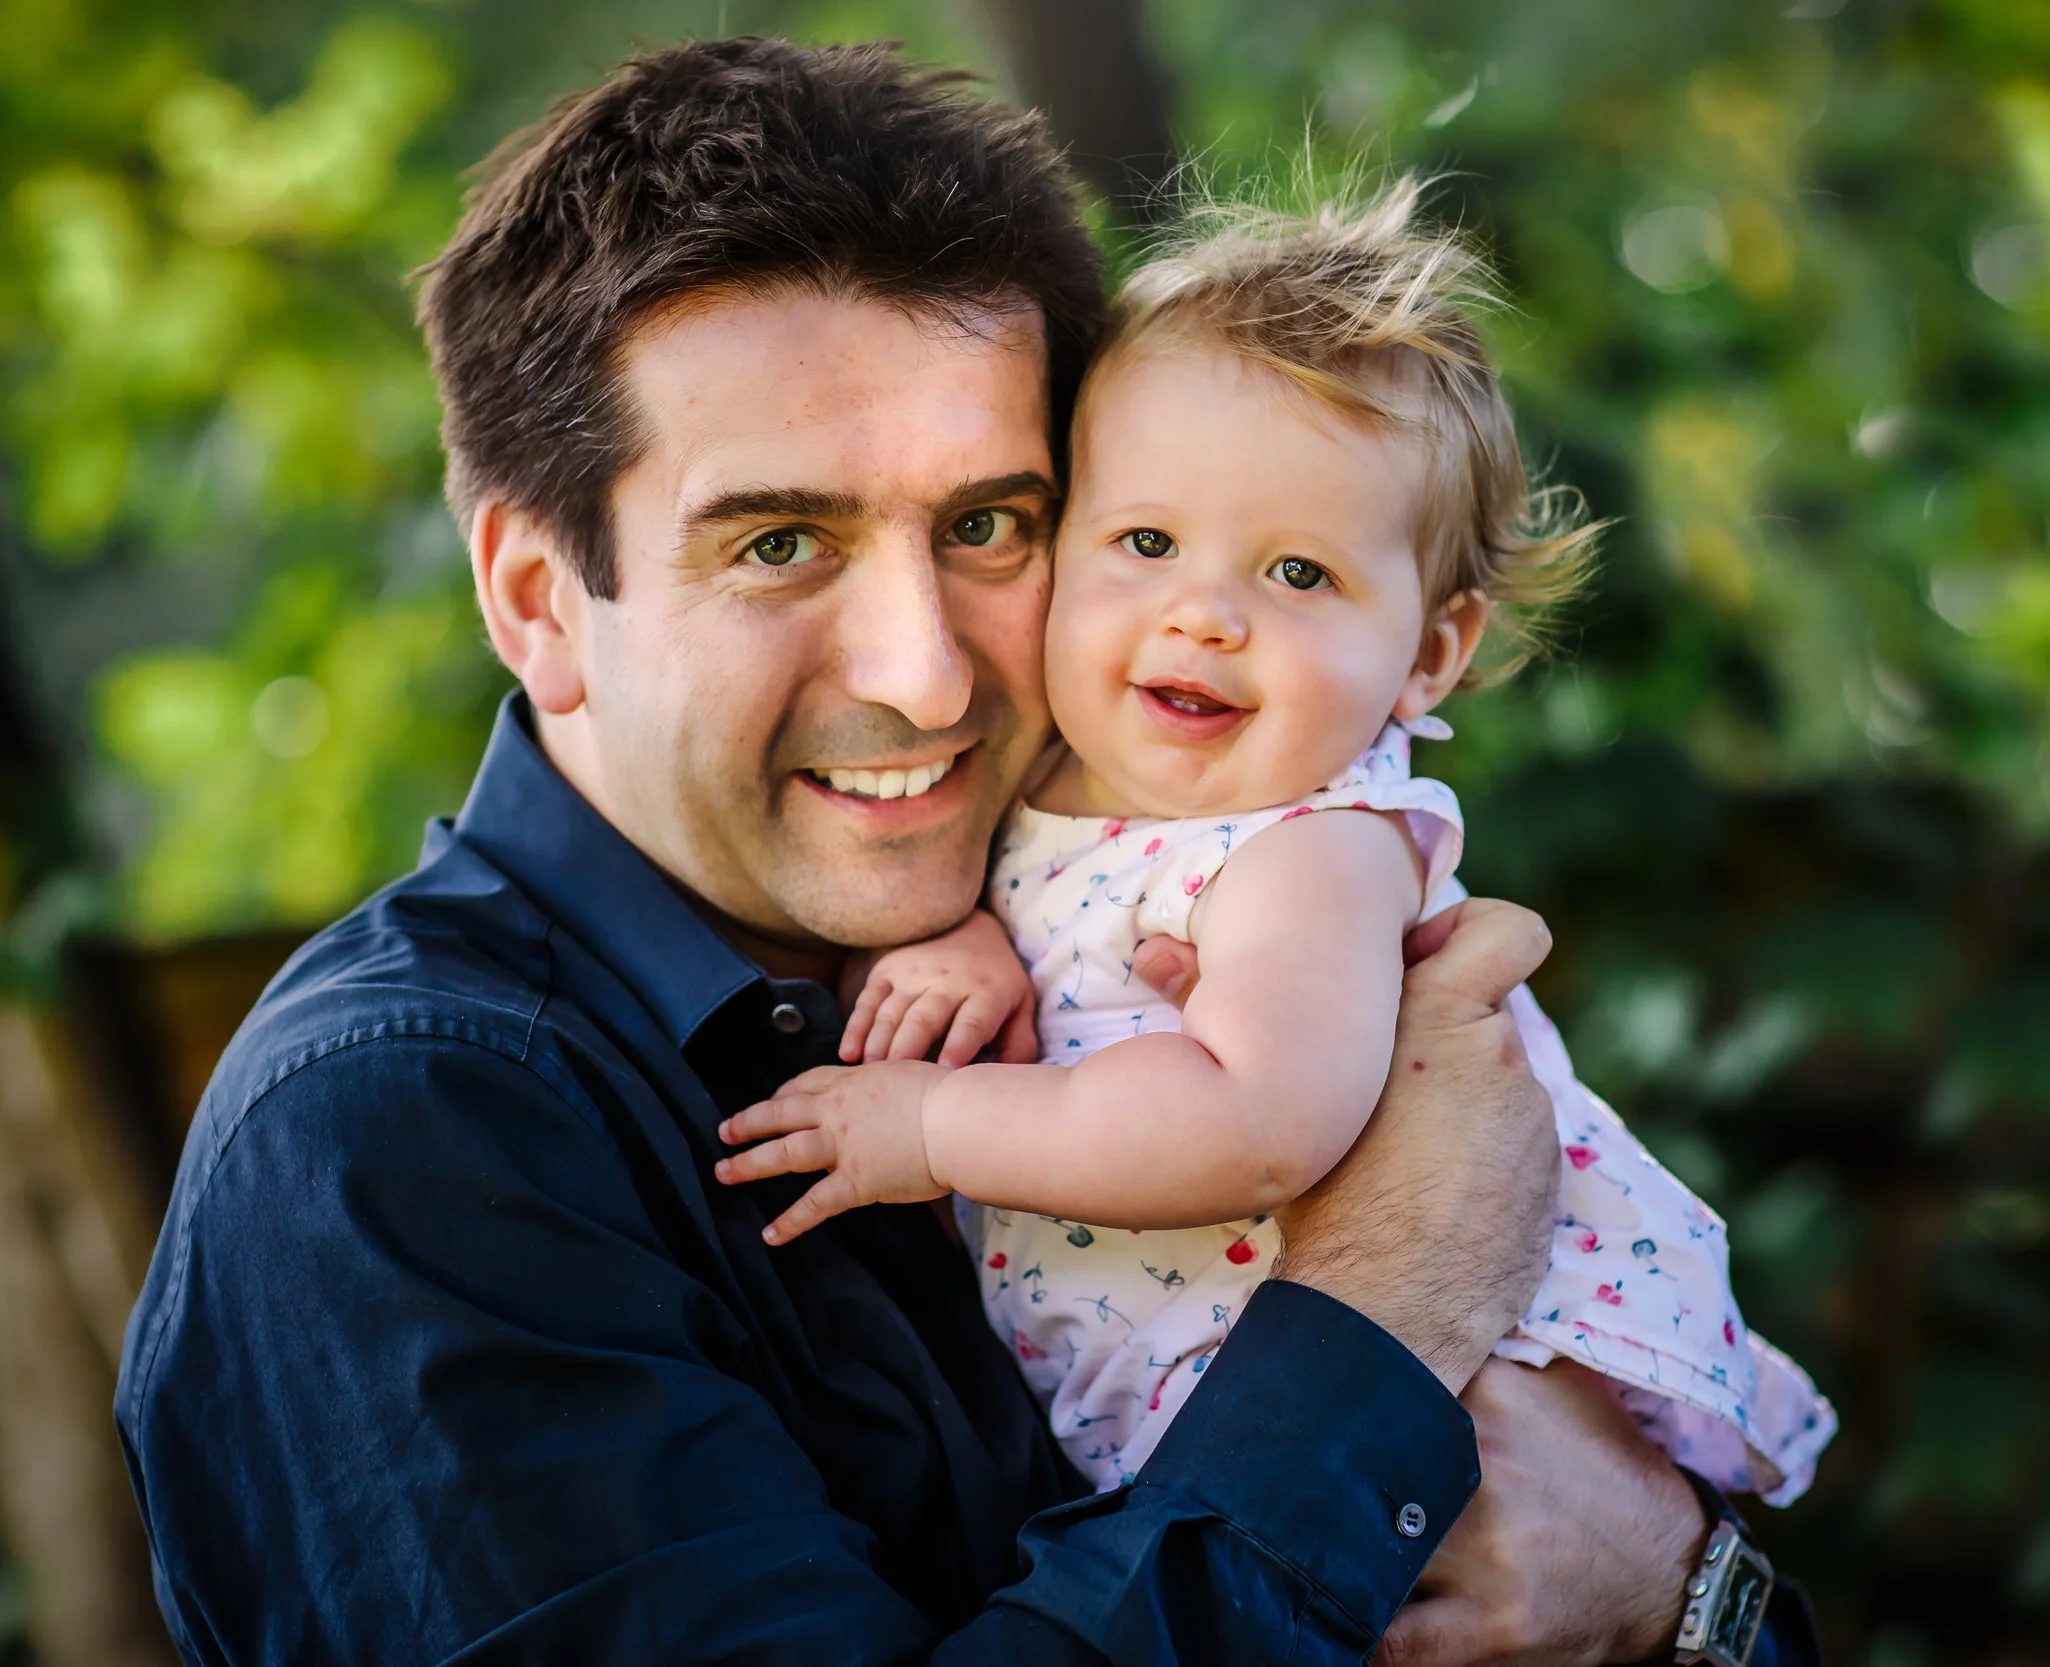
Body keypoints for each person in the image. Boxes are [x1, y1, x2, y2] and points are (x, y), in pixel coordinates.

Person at [113, 37, 1820, 1665]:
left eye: (992, 523)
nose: (925, 671)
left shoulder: (1124, 906)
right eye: (782, 541)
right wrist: (1384, 1315)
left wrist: (1679, 1586)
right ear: (539, 599)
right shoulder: (395, 1144)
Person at [713, 181, 1837, 1502]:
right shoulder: (1058, 767)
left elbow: (1254, 1122)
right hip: (1193, 1407)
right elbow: (1041, 896)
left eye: (1298, 574)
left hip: (1393, 1414)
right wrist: (969, 933)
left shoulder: (1313, 853)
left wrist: (938, 1121)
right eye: (1145, 541)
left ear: (1428, 653)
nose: (1202, 615)